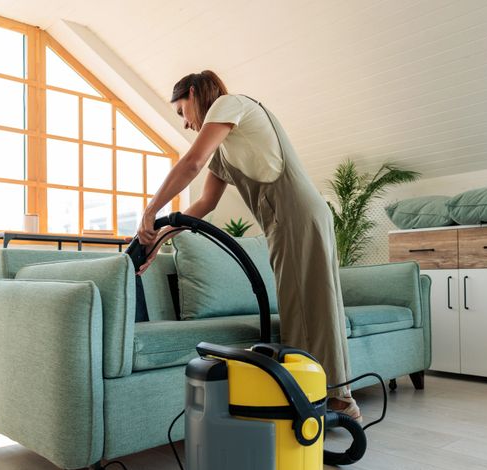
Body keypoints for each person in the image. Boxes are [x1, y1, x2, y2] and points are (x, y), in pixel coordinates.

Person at [135, 70, 360, 420]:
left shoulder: (229, 104)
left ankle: (334, 400)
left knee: (308, 306)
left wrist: (151, 209)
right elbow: (203, 206)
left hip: (297, 213)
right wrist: (157, 240)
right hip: (286, 221)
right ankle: (327, 398)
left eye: (181, 111)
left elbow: (191, 162)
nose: (185, 124)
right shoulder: (225, 152)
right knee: (302, 305)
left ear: (193, 94)